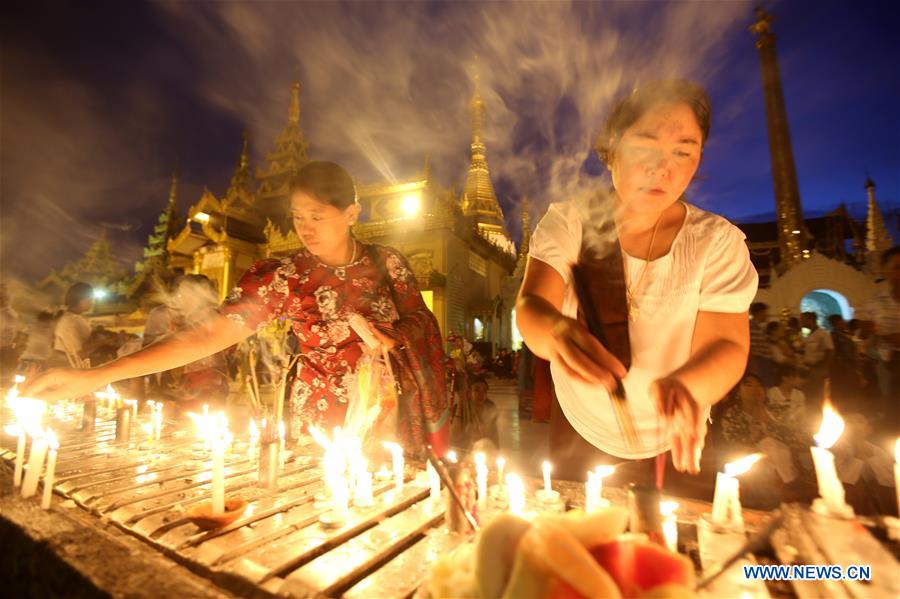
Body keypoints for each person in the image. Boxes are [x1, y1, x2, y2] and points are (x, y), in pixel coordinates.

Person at [24, 161, 450, 454]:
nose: (304, 229)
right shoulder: (285, 276)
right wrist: (97, 376)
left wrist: (394, 336)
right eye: (297, 216)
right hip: (321, 417)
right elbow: (208, 335)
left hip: (391, 406)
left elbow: (422, 320)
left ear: (352, 213)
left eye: (317, 216)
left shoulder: (387, 263)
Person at [516, 80, 757, 482]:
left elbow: (727, 343)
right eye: (645, 146)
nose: (663, 168)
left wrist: (689, 386)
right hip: (581, 428)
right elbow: (532, 307)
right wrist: (557, 332)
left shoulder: (717, 242)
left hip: (677, 437)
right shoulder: (572, 221)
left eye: (683, 152)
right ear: (611, 149)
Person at [51, 282, 94, 367]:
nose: (92, 302)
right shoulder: (71, 321)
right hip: (72, 370)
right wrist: (102, 342)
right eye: (91, 299)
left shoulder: (73, 318)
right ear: (82, 300)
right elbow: (78, 353)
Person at [800, 311, 833, 411]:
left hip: (818, 368)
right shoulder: (808, 334)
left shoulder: (823, 334)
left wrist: (824, 368)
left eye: (803, 320)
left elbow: (830, 351)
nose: (801, 322)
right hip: (806, 368)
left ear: (810, 320)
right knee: (808, 394)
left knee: (817, 395)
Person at [748, 302, 777, 385]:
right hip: (759, 360)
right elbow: (752, 346)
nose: (767, 315)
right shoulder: (751, 326)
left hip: (763, 359)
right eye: (765, 313)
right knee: (763, 382)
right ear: (759, 313)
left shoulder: (759, 326)